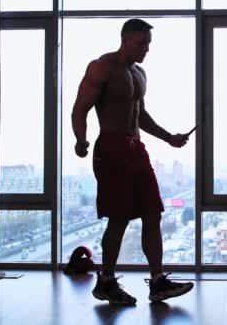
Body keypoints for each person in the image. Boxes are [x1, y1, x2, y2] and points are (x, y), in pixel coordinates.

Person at [71, 18, 194, 305]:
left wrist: (168, 138)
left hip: (136, 148)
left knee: (153, 213)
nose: (146, 49)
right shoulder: (101, 67)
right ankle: (106, 282)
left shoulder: (140, 73)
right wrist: (81, 140)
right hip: (111, 148)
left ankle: (158, 283)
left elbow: (140, 114)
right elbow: (79, 109)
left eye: (149, 44)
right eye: (142, 43)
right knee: (119, 218)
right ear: (125, 40)